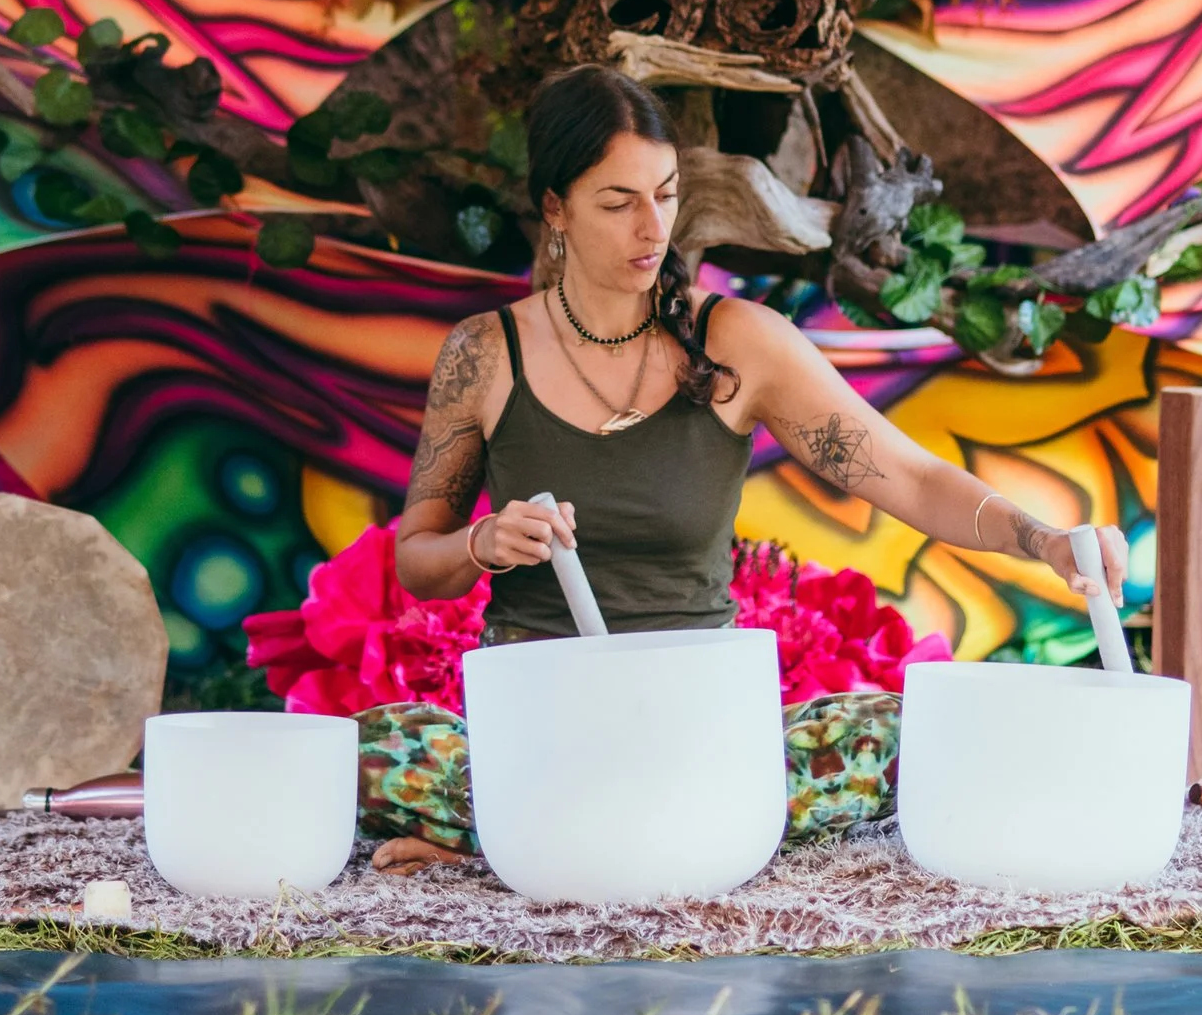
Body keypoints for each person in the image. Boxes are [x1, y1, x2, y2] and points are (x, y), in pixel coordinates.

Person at [360, 64, 1131, 874]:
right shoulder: (484, 354)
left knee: (886, 734)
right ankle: (556, 830)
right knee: (378, 749)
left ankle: (515, 841)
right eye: (617, 202)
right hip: (542, 727)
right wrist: (482, 541)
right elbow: (421, 558)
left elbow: (909, 477)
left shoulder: (737, 341)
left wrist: (1043, 541)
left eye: (664, 194)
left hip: (702, 733)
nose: (651, 227)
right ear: (554, 207)